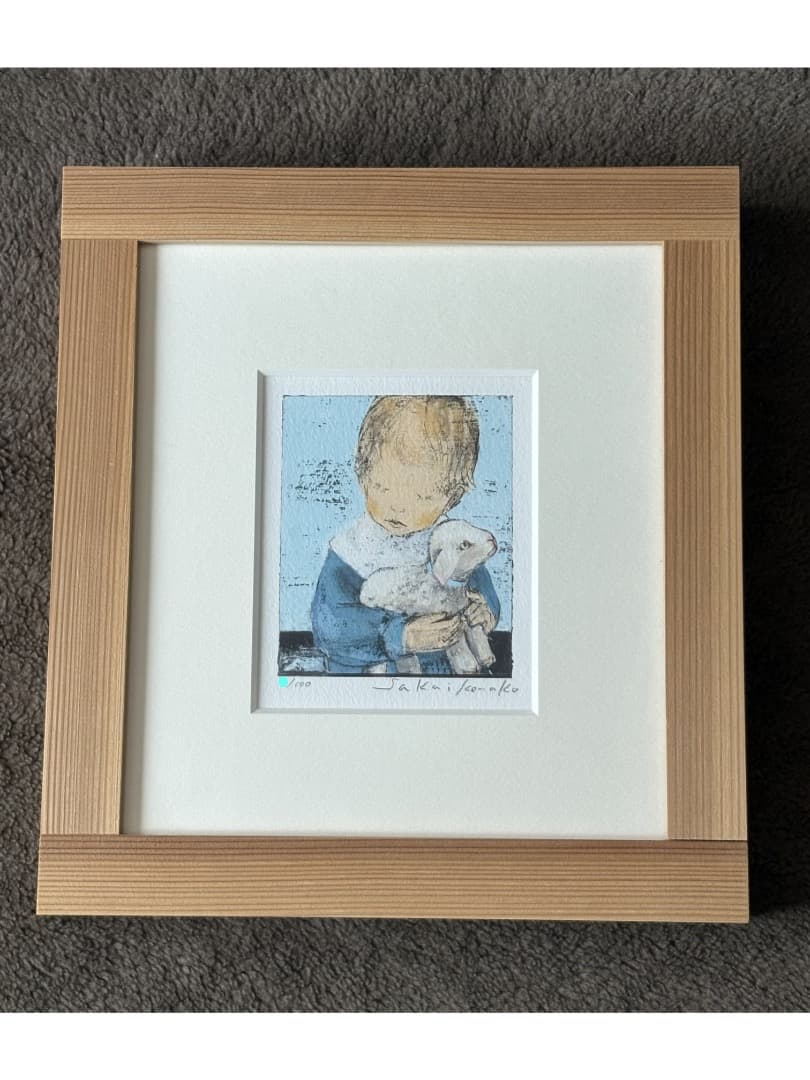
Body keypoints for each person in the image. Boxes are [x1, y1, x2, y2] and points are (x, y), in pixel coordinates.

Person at [311, 395, 500, 674]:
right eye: (383, 487)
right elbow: (331, 627)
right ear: (363, 475)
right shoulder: (351, 552)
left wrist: (485, 612)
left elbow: (479, 588)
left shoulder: (449, 542)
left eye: (420, 496)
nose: (397, 506)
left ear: (451, 498)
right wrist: (401, 636)